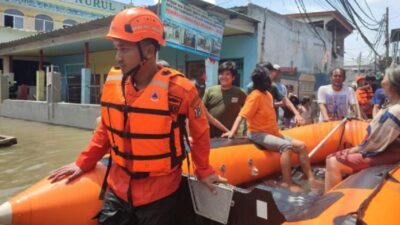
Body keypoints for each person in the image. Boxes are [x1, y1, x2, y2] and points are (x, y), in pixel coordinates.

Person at [48, 8, 225, 225]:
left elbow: (200, 133)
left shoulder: (180, 90)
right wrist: (84, 163)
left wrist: (204, 170)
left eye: (124, 49)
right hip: (118, 187)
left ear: (149, 51)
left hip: (160, 193)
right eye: (116, 49)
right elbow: (106, 129)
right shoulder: (114, 84)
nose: (117, 57)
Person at [222, 65, 322, 192]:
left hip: (273, 132)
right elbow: (242, 115)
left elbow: (275, 105)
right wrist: (232, 132)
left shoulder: (268, 95)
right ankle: (287, 183)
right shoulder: (255, 95)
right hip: (258, 133)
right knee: (286, 147)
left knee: (302, 146)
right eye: (267, 78)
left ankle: (311, 178)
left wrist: (296, 113)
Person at [325, 63, 400, 192]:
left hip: (392, 153)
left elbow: (375, 145)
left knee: (332, 161)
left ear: (390, 85)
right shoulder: (392, 104)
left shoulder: (394, 111)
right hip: (389, 149)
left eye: (385, 78)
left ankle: (327, 202)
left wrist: (356, 150)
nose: (382, 81)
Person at [203, 61, 247, 138]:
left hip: (230, 135)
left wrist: (246, 130)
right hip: (210, 135)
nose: (223, 77)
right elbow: (202, 111)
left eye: (227, 74)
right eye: (221, 74)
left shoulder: (240, 92)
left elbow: (249, 111)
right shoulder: (210, 91)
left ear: (233, 77)